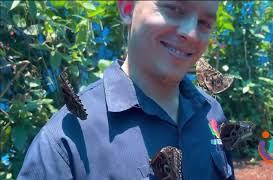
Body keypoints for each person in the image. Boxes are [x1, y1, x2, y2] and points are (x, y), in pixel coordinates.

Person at [18, 1, 235, 179]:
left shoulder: (211, 113)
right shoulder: (65, 142)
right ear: (127, 7)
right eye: (174, 9)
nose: (192, 33)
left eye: (205, 23)